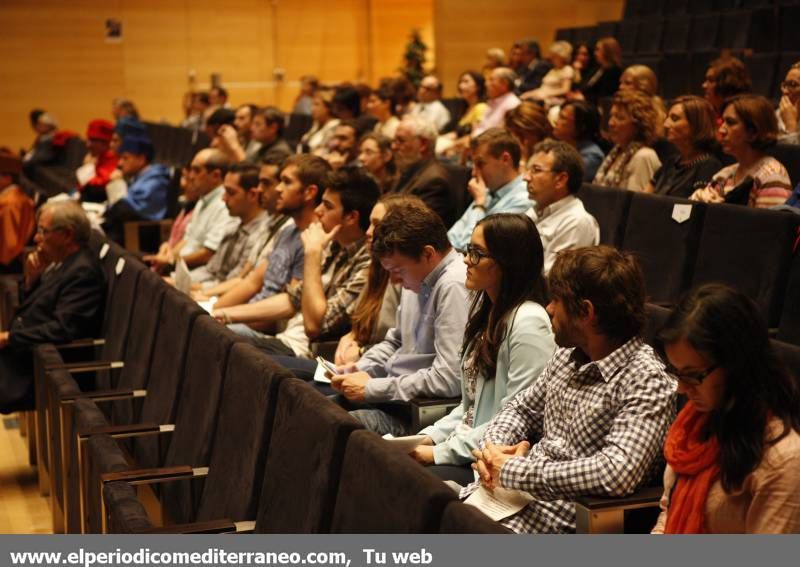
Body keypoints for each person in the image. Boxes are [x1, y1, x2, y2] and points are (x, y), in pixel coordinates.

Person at [463, 245, 676, 533]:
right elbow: (521, 408)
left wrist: (514, 471)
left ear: (586, 312)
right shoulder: (568, 354)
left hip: (561, 520)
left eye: (556, 300)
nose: (548, 308)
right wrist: (494, 451)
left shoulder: (646, 380)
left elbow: (616, 473)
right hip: (508, 497)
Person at [410, 214, 556, 483]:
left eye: (477, 253)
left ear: (506, 263)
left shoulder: (529, 322)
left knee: (410, 481)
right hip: (468, 447)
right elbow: (470, 410)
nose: (466, 259)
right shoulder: (486, 312)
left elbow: (516, 423)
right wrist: (428, 437)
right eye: (468, 249)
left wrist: (438, 452)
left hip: (492, 461)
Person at [652, 284, 800, 533]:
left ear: (736, 366)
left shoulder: (784, 461)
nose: (680, 388)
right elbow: (668, 513)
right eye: (676, 373)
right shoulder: (696, 426)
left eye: (694, 375)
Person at [331, 203, 469, 436]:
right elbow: (395, 342)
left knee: (332, 425)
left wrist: (372, 388)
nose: (394, 282)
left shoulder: (454, 284)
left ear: (427, 254)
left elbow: (448, 380)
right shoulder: (416, 277)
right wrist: (358, 369)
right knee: (317, 404)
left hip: (423, 414)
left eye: (398, 271)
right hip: (394, 395)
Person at [215, 166, 377, 360]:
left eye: (328, 206)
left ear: (351, 217)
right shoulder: (336, 248)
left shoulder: (366, 263)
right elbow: (291, 300)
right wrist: (223, 314)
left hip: (309, 356)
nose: (318, 210)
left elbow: (315, 326)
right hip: (285, 342)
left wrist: (312, 254)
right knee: (216, 330)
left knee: (224, 343)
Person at [0, 201, 106, 413]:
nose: (37, 238)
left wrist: (9, 338)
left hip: (38, 369)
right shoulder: (63, 262)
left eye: (43, 231)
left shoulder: (83, 272)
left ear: (67, 234)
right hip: (22, 356)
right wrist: (31, 281)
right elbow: (39, 307)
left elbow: (63, 328)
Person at [211, 154, 328, 311]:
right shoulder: (287, 230)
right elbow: (252, 283)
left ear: (309, 192)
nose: (278, 188)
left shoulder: (314, 240)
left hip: (265, 326)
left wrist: (227, 316)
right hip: (247, 315)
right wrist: (213, 310)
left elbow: (288, 308)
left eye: (286, 182)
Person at [691, 95, 792, 209]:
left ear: (752, 132)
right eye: (723, 122)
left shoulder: (772, 175)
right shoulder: (724, 175)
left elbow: (770, 225)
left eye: (730, 123)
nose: (721, 130)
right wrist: (696, 201)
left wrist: (719, 212)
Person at [144, 149, 235, 269]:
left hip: (196, 270)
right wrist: (168, 257)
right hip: (181, 266)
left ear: (215, 175)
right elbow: (187, 239)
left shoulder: (224, 205)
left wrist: (170, 262)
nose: (190, 176)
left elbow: (208, 254)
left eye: (196, 170)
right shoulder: (202, 200)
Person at [447, 128, 530, 250]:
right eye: (473, 164)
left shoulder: (524, 200)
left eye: (480, 164)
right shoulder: (487, 191)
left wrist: (480, 205)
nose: (474, 173)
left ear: (505, 159)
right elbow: (451, 238)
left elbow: (472, 249)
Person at [524, 140, 599, 272]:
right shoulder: (533, 211)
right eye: (528, 170)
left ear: (561, 180)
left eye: (536, 170)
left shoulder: (577, 223)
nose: (526, 177)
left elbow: (552, 281)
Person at [189, 163, 269, 287]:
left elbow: (234, 282)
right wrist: (179, 280)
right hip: (209, 287)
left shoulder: (261, 233)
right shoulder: (233, 222)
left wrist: (192, 286)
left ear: (252, 195)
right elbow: (211, 270)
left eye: (230, 193)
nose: (223, 198)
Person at [647, 96, 722, 199]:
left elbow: (697, 208)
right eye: (667, 118)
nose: (666, 124)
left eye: (674, 119)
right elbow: (644, 197)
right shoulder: (672, 161)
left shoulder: (708, 166)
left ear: (696, 125)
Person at [102, 134, 171, 243]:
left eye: (125, 158)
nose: (120, 163)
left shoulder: (156, 181)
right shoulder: (138, 177)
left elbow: (126, 213)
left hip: (142, 240)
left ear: (141, 159)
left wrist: (117, 183)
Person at [391, 116, 456, 227]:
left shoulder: (434, 181)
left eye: (400, 141)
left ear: (423, 145)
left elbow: (418, 230)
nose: (393, 146)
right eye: (394, 140)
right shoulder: (410, 171)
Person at [593, 89, 662, 192]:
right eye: (611, 116)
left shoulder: (644, 156)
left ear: (639, 125)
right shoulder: (616, 152)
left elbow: (637, 204)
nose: (611, 123)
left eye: (620, 118)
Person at [552, 100, 605, 181]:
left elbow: (564, 184)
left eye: (563, 118)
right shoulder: (560, 146)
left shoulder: (592, 156)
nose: (556, 121)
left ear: (581, 127)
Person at [0, 153, 35, 270]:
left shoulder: (9, 204)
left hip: (7, 263)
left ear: (7, 178)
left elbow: (9, 244)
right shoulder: (19, 197)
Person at [521, 41, 574, 107]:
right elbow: (543, 88)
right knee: (523, 97)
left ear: (561, 56)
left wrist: (546, 94)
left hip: (554, 100)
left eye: (554, 56)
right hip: (542, 96)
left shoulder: (567, 69)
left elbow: (565, 90)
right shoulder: (553, 70)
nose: (551, 58)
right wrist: (529, 93)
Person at [619, 64, 666, 137]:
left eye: (627, 83)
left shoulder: (654, 112)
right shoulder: (624, 108)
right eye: (620, 83)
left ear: (644, 86)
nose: (621, 87)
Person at [503, 101, 552, 169]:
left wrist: (524, 160)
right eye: (515, 135)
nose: (518, 140)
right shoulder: (508, 150)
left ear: (537, 131)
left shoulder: (550, 156)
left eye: (522, 135)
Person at [472, 68, 520, 137]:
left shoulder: (512, 105)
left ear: (504, 84)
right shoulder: (492, 102)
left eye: (491, 80)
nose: (486, 84)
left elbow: (500, 136)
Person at [78, 119, 118, 203]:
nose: (88, 145)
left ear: (106, 142)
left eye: (93, 140)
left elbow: (93, 189)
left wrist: (87, 168)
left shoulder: (112, 159)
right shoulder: (96, 157)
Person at [577, 37, 622, 106]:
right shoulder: (597, 69)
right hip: (584, 102)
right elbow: (585, 86)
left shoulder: (614, 72)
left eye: (598, 50)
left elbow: (604, 96)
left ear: (607, 52)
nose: (595, 53)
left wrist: (583, 97)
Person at [776, 61, 800, 144]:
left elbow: (793, 157)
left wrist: (791, 125)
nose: (785, 91)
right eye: (785, 85)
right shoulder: (777, 115)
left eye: (793, 85)